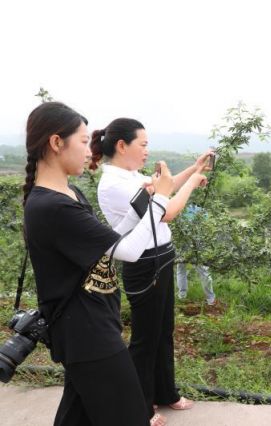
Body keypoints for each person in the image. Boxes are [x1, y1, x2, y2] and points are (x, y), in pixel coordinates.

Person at [22, 102, 174, 426]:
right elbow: (129, 252)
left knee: (76, 418)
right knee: (130, 416)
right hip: (87, 334)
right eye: (81, 140)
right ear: (55, 143)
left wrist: (140, 207)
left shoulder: (70, 193)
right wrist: (160, 198)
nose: (88, 150)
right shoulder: (51, 206)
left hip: (92, 324)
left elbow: (106, 247)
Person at [90, 118, 211, 420]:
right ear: (122, 145)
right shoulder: (115, 184)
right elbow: (167, 211)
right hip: (144, 265)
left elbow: (164, 191)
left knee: (163, 332)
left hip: (162, 256)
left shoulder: (131, 177)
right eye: (142, 145)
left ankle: (164, 392)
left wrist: (193, 170)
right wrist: (194, 183)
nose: (147, 151)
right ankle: (140, 405)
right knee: (145, 339)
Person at [176, 204, 215, 305]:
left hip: (187, 242)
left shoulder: (179, 206)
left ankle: (182, 296)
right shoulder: (201, 209)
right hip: (193, 242)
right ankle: (210, 299)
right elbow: (206, 228)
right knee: (202, 271)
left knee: (182, 269)